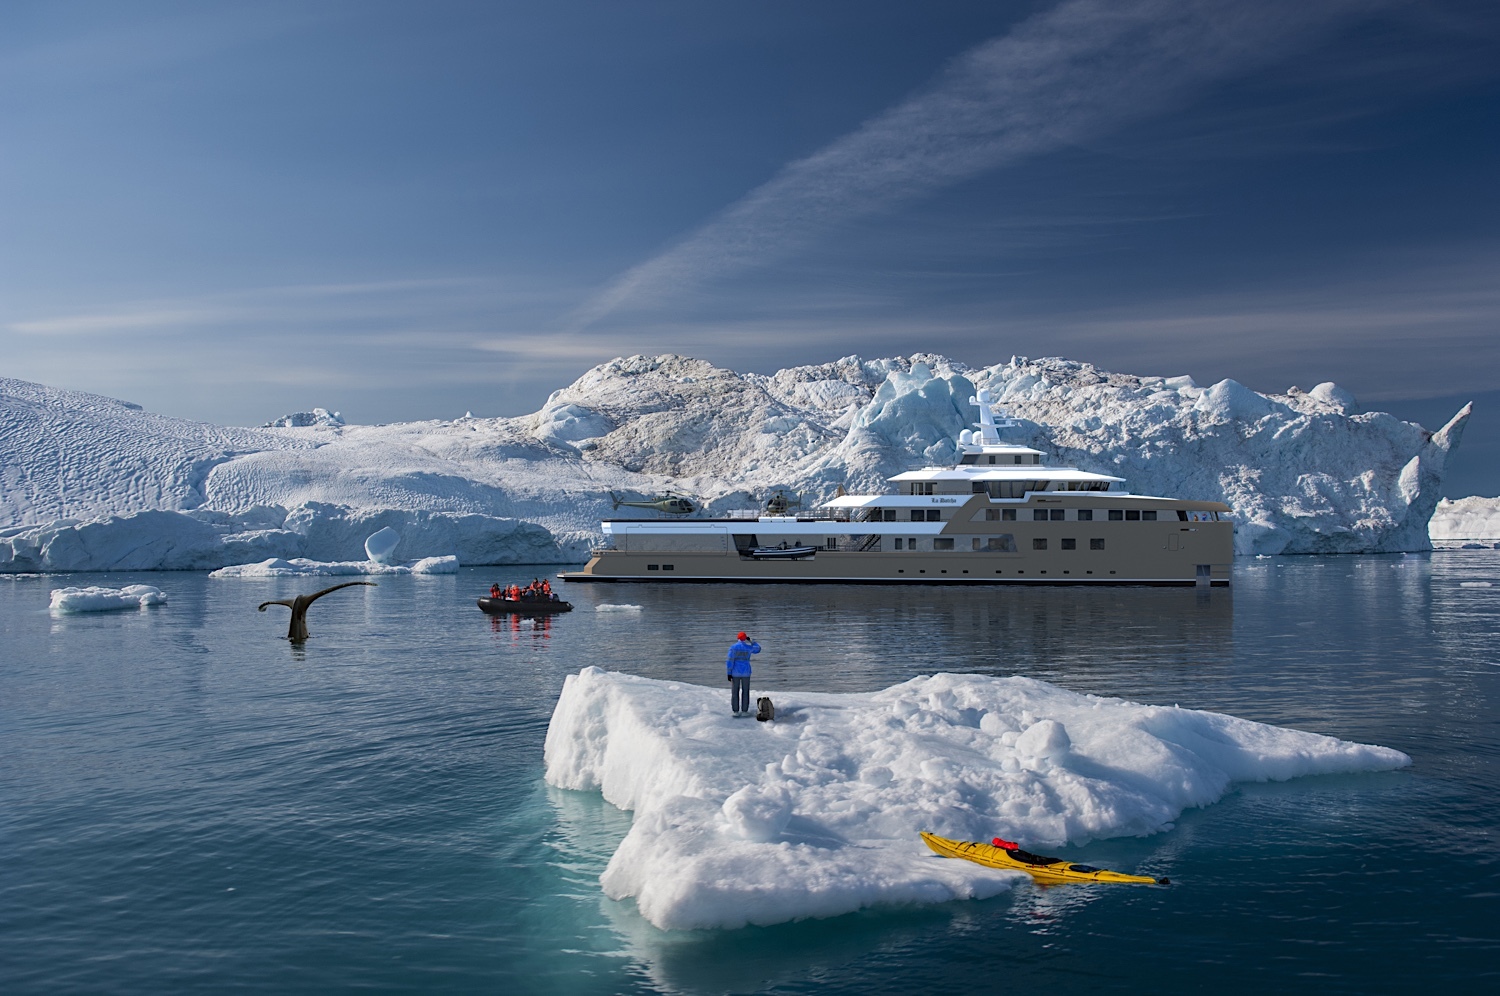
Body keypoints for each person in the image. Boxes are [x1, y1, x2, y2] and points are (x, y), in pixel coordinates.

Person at [725, 631, 760, 717]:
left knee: (735, 692)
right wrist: (752, 641)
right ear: (745, 638)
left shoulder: (733, 648)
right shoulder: (748, 648)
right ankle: (744, 711)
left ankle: (735, 711)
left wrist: (729, 673)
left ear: (738, 638)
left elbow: (730, 661)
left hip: (735, 672)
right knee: (745, 691)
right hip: (746, 672)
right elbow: (758, 648)